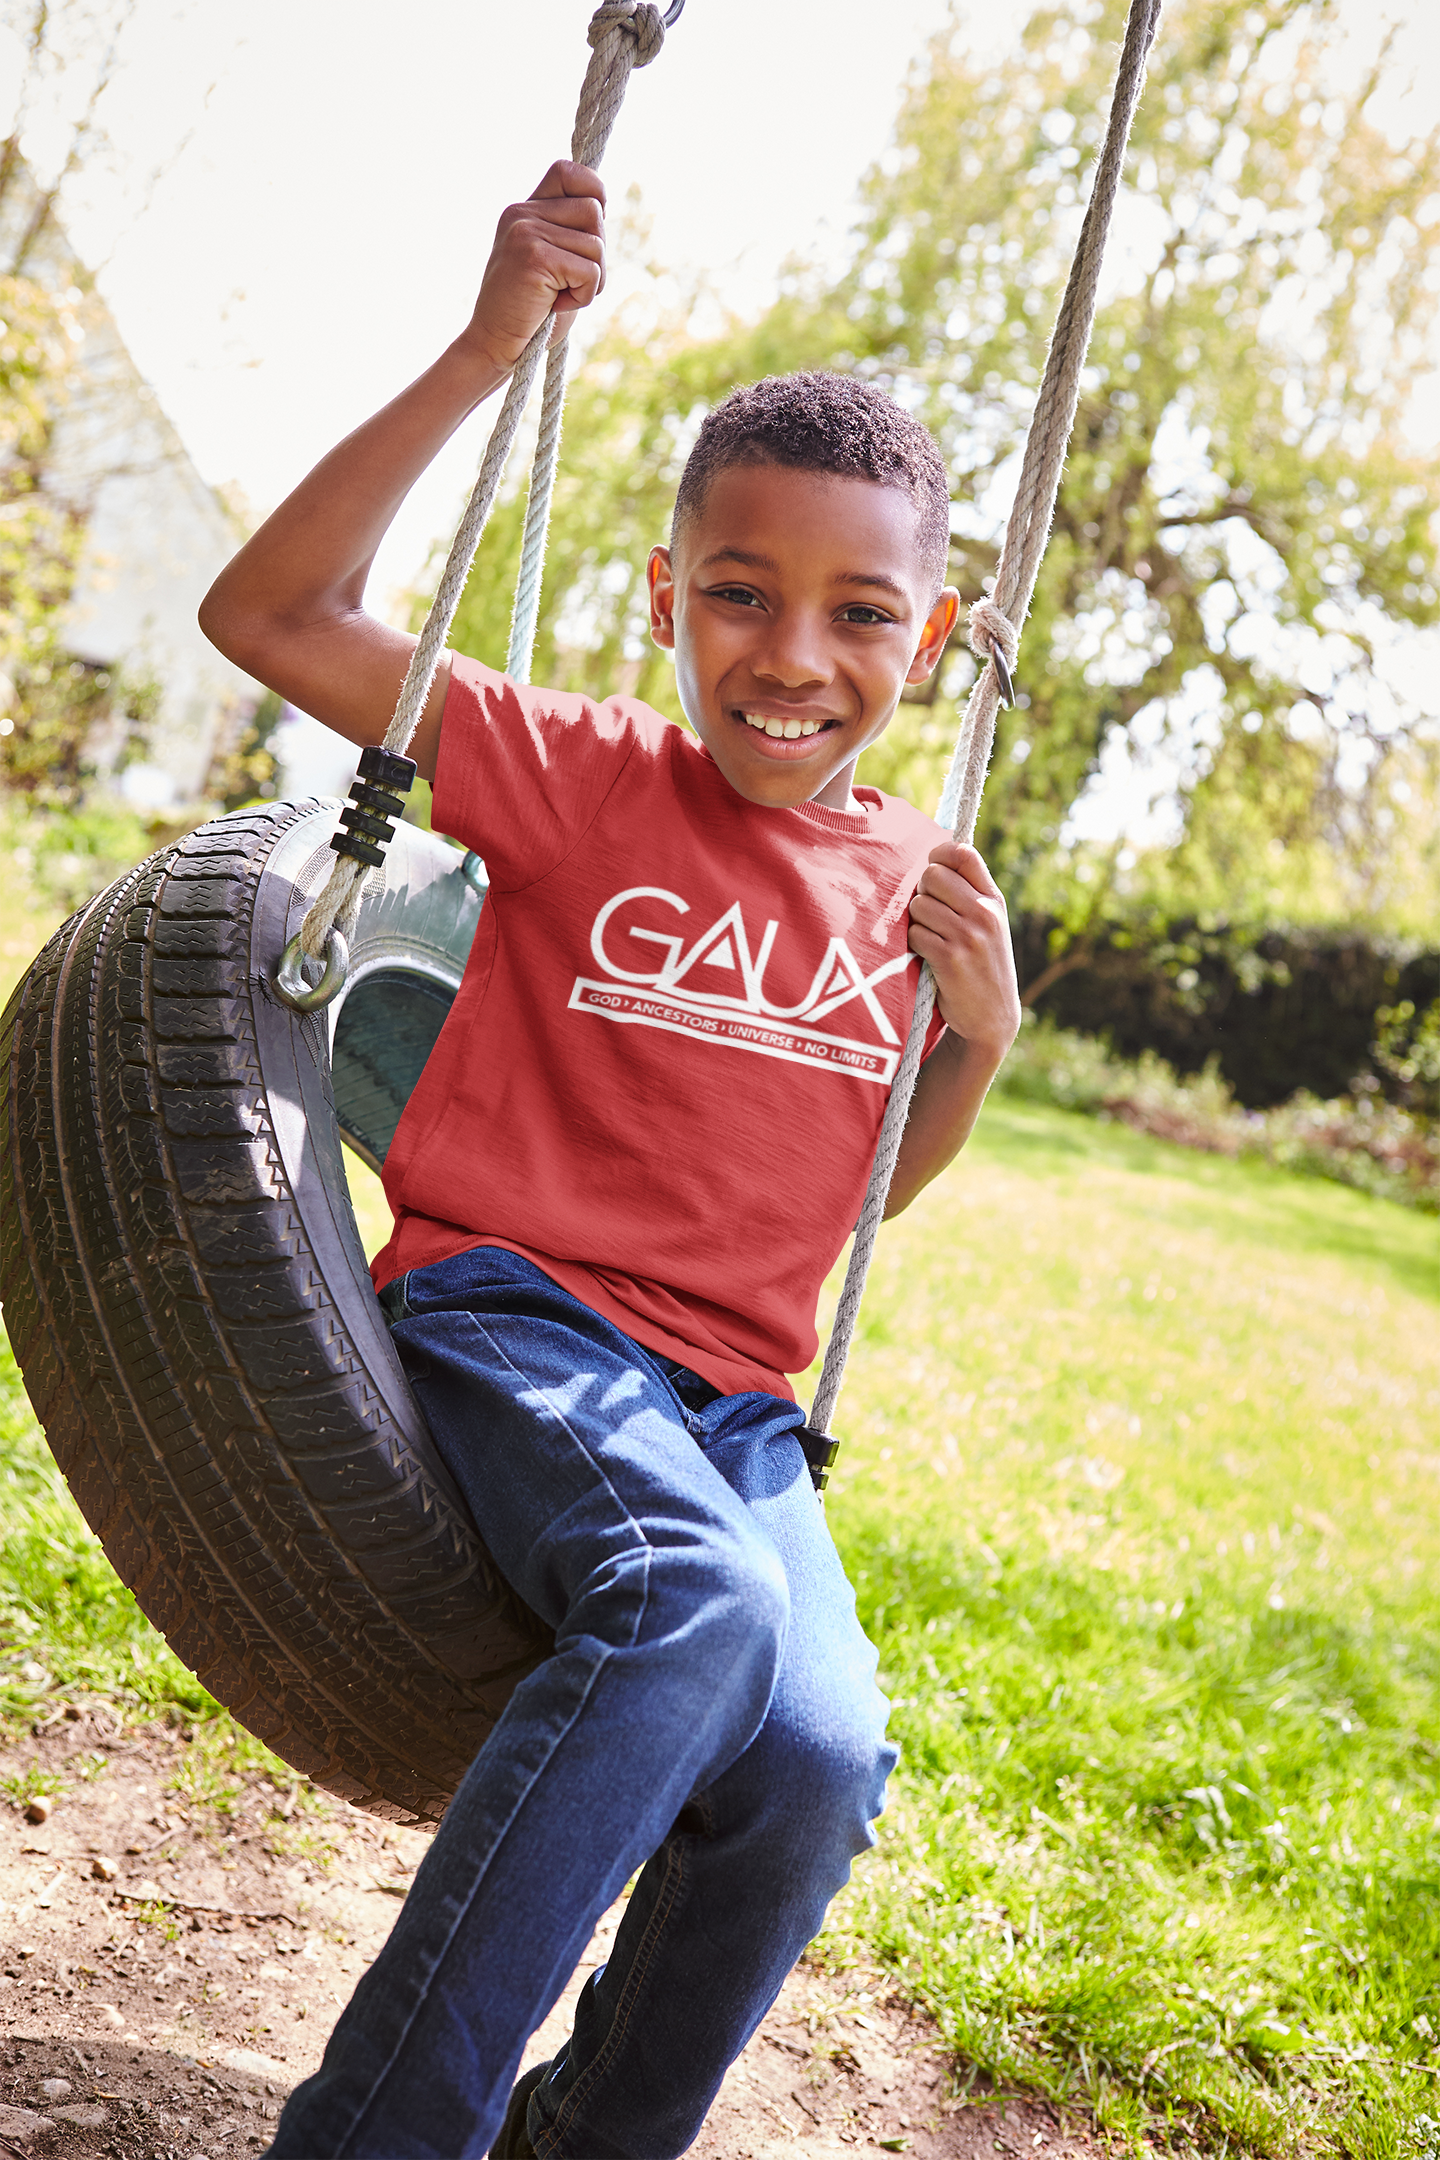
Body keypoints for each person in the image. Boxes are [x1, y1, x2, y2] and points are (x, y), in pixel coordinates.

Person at [200, 157, 1021, 2160]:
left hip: (740, 1411)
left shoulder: (920, 876)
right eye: (737, 594)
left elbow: (838, 1197)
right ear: (669, 596)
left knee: (825, 1759)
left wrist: (979, 1044)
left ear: (936, 635)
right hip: (520, 1318)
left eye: (860, 613)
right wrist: (488, 351)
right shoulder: (577, 773)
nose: (790, 656)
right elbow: (270, 611)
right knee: (692, 1609)